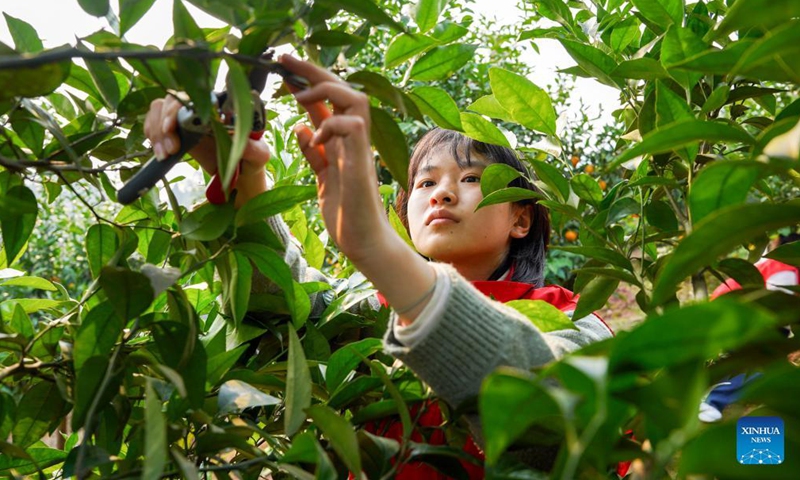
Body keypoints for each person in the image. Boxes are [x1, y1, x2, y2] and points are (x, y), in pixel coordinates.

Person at [144, 54, 614, 475]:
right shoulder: (372, 310)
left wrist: (381, 254)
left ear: (521, 216)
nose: (443, 194)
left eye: (471, 177)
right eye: (426, 184)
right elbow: (278, 303)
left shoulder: (571, 321)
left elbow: (557, 439)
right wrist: (240, 175)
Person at [698, 233, 800, 423]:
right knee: (765, 367)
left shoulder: (777, 265)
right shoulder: (785, 271)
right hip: (731, 316)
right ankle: (713, 403)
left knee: (751, 365)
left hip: (732, 315)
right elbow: (776, 309)